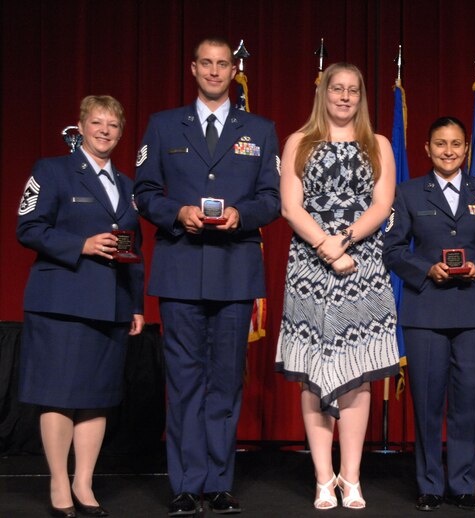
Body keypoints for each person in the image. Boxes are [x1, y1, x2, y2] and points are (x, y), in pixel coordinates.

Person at [133, 36, 280, 516]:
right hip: (179, 270)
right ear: (193, 68)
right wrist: (178, 213)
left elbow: (272, 199)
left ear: (234, 70)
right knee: (184, 382)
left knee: (224, 383)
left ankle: (218, 481)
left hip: (235, 271)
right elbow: (145, 192)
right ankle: (184, 483)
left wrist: (241, 215)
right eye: (207, 64)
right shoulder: (161, 125)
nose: (215, 72)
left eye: (223, 65)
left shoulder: (259, 129)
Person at [275, 62, 399, 510]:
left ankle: (352, 477)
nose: (345, 97)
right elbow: (290, 207)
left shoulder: (377, 144)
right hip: (309, 265)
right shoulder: (299, 142)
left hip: (363, 265)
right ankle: (323, 478)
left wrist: (345, 240)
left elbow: (382, 205)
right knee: (312, 375)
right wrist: (327, 247)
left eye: (353, 90)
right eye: (337, 89)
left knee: (357, 373)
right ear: (323, 94)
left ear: (361, 96)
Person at [16, 95, 145, 518]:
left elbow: (133, 250)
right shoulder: (51, 170)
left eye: (113, 125)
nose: (105, 131)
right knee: (59, 395)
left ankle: (84, 485)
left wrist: (136, 305)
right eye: (97, 123)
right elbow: (29, 227)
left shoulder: (128, 186)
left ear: (121, 133)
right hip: (62, 303)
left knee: (97, 397)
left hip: (111, 306)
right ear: (81, 126)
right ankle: (58, 483)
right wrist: (81, 245)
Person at [383, 116, 475, 512]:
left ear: (467, 148)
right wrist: (425, 270)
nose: (449, 150)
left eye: (456, 143)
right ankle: (429, 485)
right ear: (427, 148)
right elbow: (392, 248)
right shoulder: (407, 193)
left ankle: (462, 485)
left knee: (468, 403)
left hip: (474, 307)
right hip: (425, 310)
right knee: (427, 402)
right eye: (441, 143)